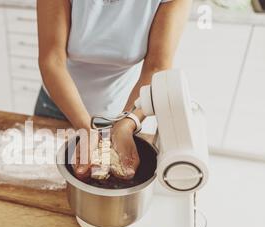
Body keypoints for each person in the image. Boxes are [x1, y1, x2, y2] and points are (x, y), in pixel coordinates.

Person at [35, 0, 191, 180]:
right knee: (42, 179)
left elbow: (157, 68)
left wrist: (126, 124)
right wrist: (86, 128)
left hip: (120, 111)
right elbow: (52, 61)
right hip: (57, 106)